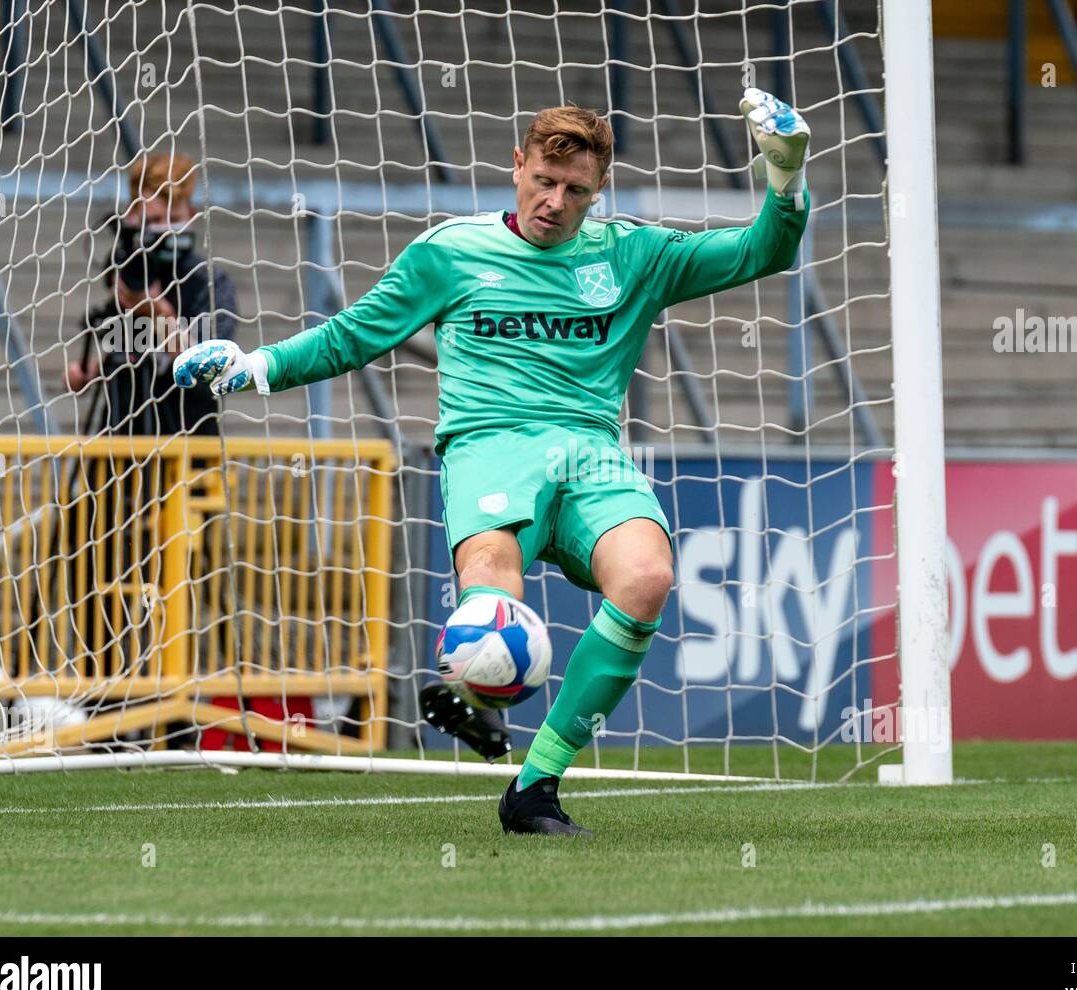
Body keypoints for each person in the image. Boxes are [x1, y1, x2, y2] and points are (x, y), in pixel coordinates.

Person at [173, 88, 811, 836]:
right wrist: (257, 367)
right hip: (490, 447)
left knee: (648, 578)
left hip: (592, 454)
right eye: (544, 180)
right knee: (490, 598)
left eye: (575, 191)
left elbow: (762, 251)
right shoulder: (451, 252)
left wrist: (786, 179)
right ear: (518, 166)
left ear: (597, 193)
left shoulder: (633, 255)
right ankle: (476, 693)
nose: (555, 202)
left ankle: (533, 786)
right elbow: (355, 334)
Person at [69, 151, 239, 437]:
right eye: (153, 220)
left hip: (188, 446)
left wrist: (159, 313)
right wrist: (91, 371)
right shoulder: (130, 273)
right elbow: (132, 349)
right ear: (132, 216)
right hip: (123, 443)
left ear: (191, 216)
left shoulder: (208, 282)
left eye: (173, 219)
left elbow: (207, 374)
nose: (162, 230)